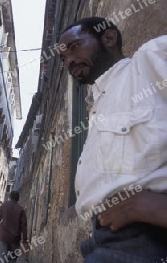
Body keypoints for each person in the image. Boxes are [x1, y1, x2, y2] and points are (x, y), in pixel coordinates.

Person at [59, 17, 167, 262]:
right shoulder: (98, 104)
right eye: (63, 58)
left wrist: (156, 208)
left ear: (108, 38)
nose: (69, 61)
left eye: (74, 48)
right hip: (101, 239)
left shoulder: (149, 61)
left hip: (147, 239)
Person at [0, 191, 28, 263]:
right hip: (14, 239)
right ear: (18, 198)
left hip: (3, 237)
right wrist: (24, 240)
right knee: (12, 259)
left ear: (10, 197)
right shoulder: (21, 210)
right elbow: (24, 226)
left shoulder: (4, 206)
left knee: (0, 259)